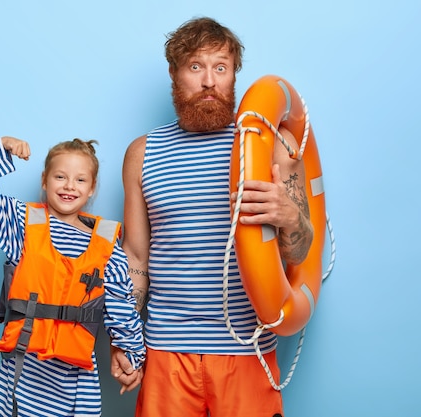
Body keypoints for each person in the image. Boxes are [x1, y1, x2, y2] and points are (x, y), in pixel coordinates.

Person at [111, 17, 313, 417]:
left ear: (234, 74)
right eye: (196, 66)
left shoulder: (272, 144)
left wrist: (291, 217)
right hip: (166, 352)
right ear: (174, 72)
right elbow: (135, 259)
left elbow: (301, 253)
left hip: (247, 352)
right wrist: (124, 338)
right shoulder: (141, 154)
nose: (209, 81)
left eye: (221, 68)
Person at [0, 136, 146, 417]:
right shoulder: (20, 225)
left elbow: (122, 307)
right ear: (45, 180)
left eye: (80, 180)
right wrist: (1, 148)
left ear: (92, 188)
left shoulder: (108, 247)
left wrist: (132, 356)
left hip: (75, 384)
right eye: (60, 176)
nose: (70, 186)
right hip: (21, 373)